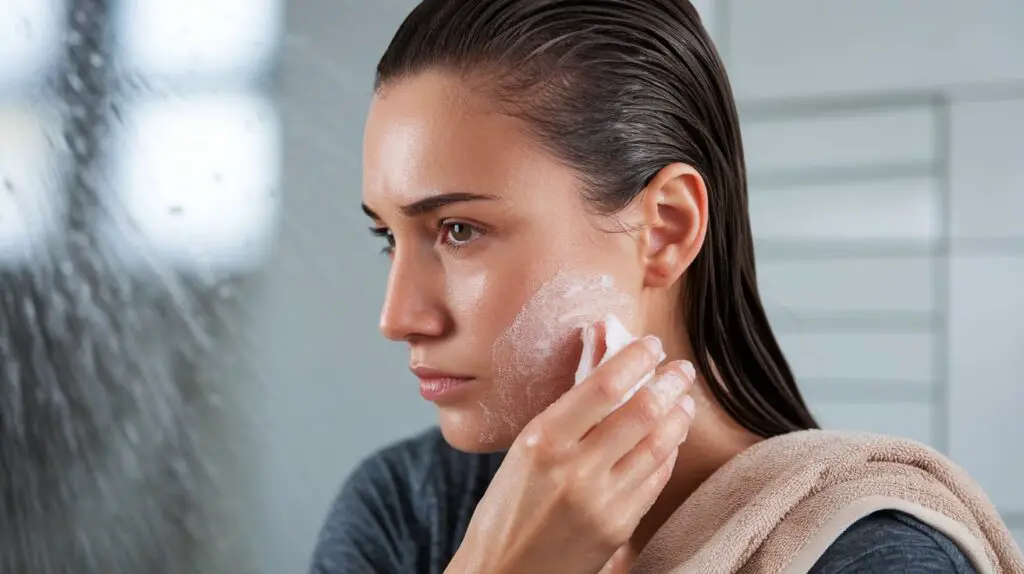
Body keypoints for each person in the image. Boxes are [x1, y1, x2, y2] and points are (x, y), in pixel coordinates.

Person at [309, 1, 1019, 572]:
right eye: (387, 237)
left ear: (667, 229)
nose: (398, 317)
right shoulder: (406, 507)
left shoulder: (871, 558)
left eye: (458, 230)